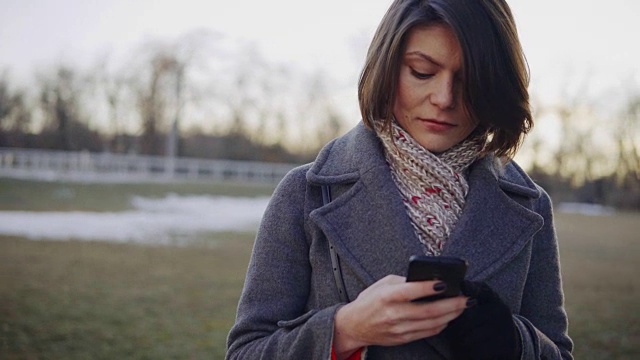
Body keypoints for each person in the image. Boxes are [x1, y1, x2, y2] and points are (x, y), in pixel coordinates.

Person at [226, 0, 573, 359]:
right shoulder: (306, 194)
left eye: (471, 81)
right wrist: (344, 330)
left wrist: (516, 345)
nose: (444, 98)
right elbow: (246, 352)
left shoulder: (529, 205)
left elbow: (558, 352)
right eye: (422, 72)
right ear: (387, 69)